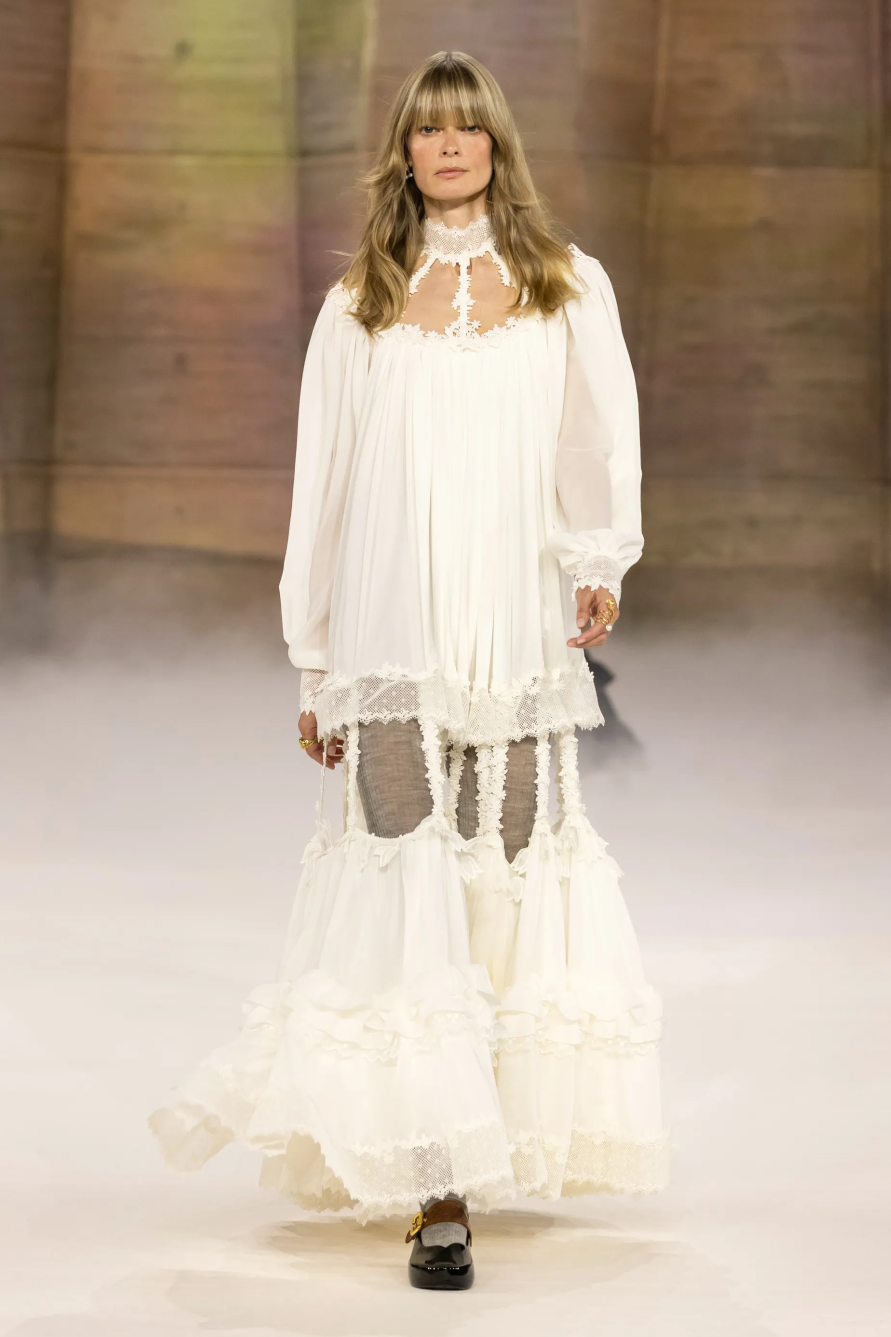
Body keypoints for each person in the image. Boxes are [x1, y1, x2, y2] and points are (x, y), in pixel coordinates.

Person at [151, 49, 667, 1292]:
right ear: (405, 152)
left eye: (467, 128)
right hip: (390, 634)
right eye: (428, 129)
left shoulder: (565, 282)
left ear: (496, 145)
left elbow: (598, 437)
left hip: (514, 629)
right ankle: (438, 1184)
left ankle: (481, 1133)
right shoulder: (361, 303)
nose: (448, 147)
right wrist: (316, 656)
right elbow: (322, 486)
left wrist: (600, 557)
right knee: (402, 878)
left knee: (506, 873)